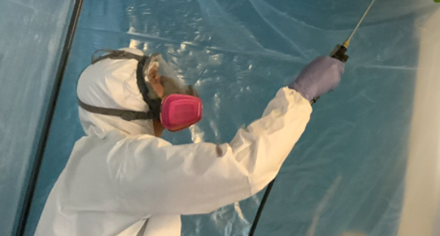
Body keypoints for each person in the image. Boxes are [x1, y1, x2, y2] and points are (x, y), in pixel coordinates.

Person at [34, 47, 344, 235]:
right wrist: (300, 95)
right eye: (155, 81)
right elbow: (239, 170)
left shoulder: (106, 158)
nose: (168, 85)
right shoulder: (120, 161)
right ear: (125, 101)